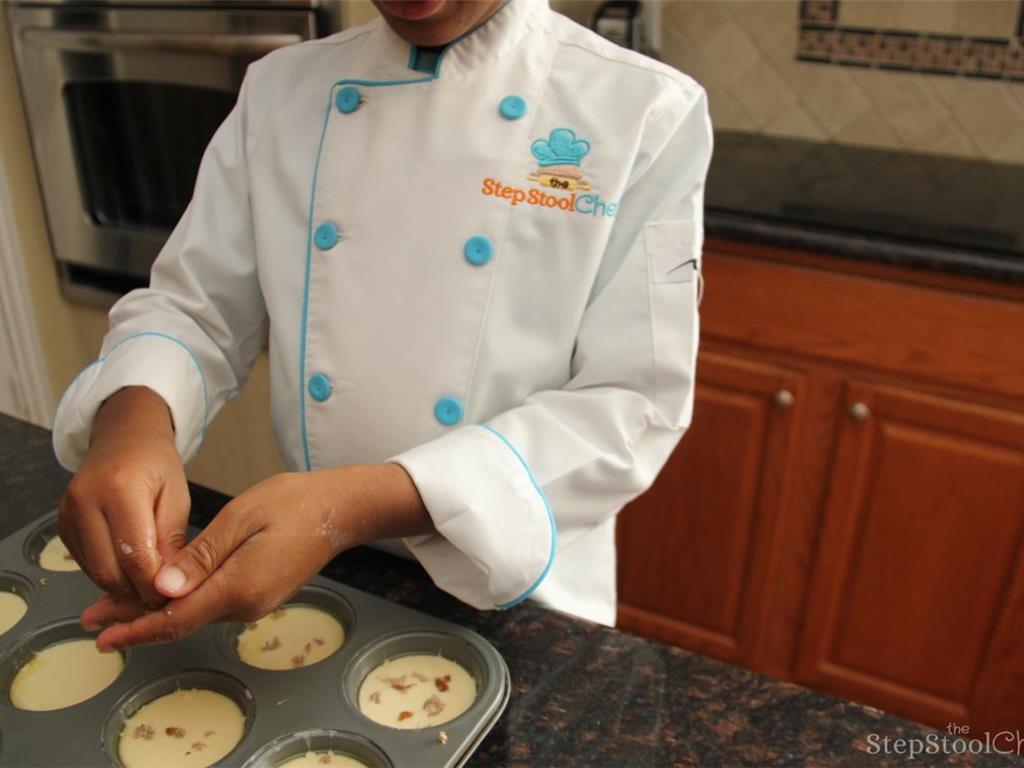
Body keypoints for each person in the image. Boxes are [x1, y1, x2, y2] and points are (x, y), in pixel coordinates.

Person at [53, 0, 713, 651]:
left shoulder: (643, 110)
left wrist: (351, 507)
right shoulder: (281, 88)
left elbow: (632, 403)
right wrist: (132, 423)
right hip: (317, 571)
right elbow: (196, 305)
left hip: (519, 587)